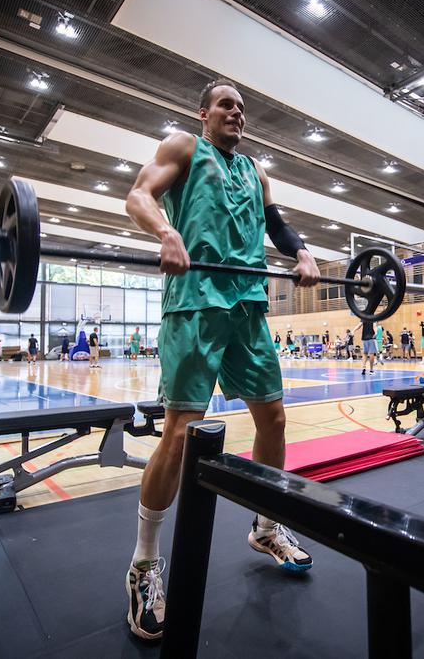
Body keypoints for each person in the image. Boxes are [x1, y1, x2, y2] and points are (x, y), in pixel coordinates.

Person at [122, 78, 320, 640]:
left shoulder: (255, 170)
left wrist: (301, 252)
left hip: (248, 309)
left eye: (242, 106)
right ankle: (143, 564)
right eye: (226, 104)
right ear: (203, 112)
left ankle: (266, 524)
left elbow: (276, 225)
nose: (236, 111)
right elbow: (139, 195)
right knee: (181, 434)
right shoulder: (183, 146)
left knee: (274, 419)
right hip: (194, 307)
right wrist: (165, 232)